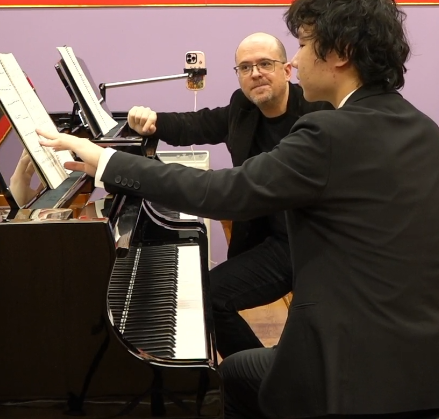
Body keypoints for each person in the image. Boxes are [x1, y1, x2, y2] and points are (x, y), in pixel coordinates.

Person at [38, 0, 439, 419]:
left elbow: (223, 192)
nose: (296, 59)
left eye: (303, 44)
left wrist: (105, 161)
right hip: (433, 366)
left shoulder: (328, 133)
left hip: (357, 370)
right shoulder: (424, 129)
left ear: (340, 53)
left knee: (233, 382)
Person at [126, 32, 332, 358]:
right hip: (272, 243)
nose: (255, 74)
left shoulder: (317, 112)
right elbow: (198, 124)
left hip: (314, 244)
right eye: (245, 67)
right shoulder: (243, 108)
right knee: (209, 296)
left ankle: (268, 374)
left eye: (265, 64)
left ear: (286, 70)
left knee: (299, 339)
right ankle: (255, 375)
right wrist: (153, 122)